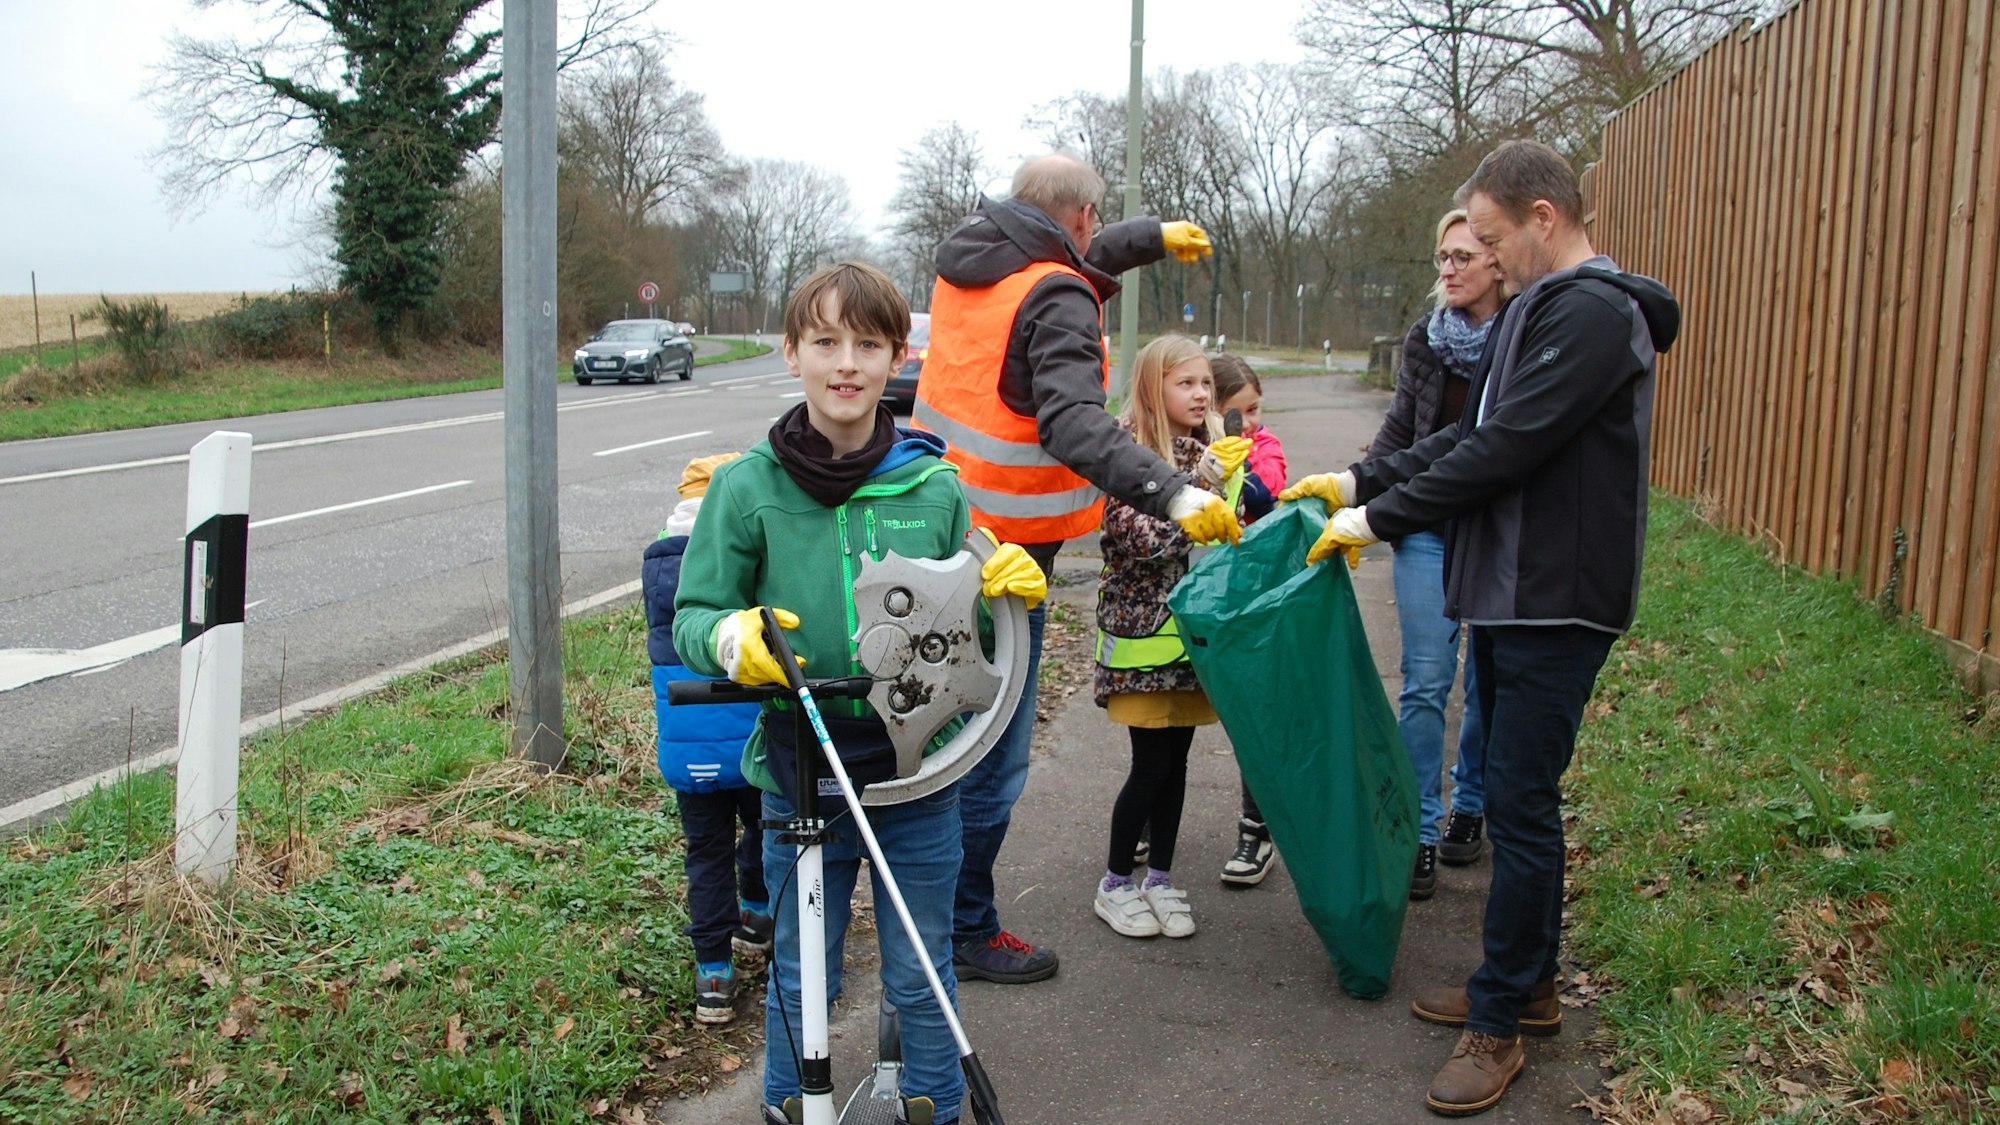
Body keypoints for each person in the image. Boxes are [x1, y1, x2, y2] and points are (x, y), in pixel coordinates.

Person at [1280, 140, 1679, 1116]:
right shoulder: (1541, 312)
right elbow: (1464, 434)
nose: (1484, 258)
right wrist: (1355, 481)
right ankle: (1523, 981)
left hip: (1555, 596)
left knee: (1519, 801)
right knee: (1510, 791)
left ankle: (1499, 1017)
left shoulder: (1591, 313)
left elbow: (1508, 448)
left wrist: (1376, 522)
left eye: (1493, 237)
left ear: (1543, 215)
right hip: (1509, 590)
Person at [673, 262, 1048, 1125]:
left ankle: (933, 1104)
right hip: (799, 769)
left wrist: (1005, 600)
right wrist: (733, 636)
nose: (847, 363)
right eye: (826, 342)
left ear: (896, 357)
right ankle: (786, 1107)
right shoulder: (746, 487)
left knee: (921, 968)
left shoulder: (933, 487)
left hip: (919, 774)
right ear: (791, 352)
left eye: (867, 345)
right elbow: (696, 614)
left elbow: (974, 647)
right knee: (805, 971)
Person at [915, 152, 1243, 983]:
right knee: (992, 757)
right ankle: (965, 928)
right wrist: (1170, 491)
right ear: (1082, 217)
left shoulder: (972, 264)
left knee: (935, 736)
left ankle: (921, 917)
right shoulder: (1054, 289)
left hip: (932, 525)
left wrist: (1151, 238)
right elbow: (1068, 419)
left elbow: (1077, 258)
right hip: (1006, 559)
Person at [1367, 209, 1504, 900]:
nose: (1446, 270)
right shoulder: (1425, 339)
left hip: (1498, 531)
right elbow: (1401, 431)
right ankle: (1420, 829)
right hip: (1425, 526)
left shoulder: (1521, 338)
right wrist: (1353, 494)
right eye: (1441, 257)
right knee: (1425, 677)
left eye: (1461, 257)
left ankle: (1470, 802)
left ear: (1498, 264)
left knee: (1485, 679)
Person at [1090, 337, 1233, 940]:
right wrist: (1194, 488)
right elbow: (1142, 539)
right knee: (1149, 766)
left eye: (1206, 383)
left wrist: (1222, 486)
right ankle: (1116, 882)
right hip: (1142, 643)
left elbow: (1225, 535)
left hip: (1190, 644)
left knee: (1177, 765)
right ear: (1154, 387)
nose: (1201, 394)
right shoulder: (1126, 453)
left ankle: (1162, 879)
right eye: (1186, 383)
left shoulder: (1206, 451)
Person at [642, 451, 773, 1026]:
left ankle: (713, 973)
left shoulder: (657, 564)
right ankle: (760, 912)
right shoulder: (743, 554)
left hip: (687, 742)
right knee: (768, 827)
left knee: (706, 851)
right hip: (748, 736)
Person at [1206, 354, 1288, 886]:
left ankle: (1255, 829)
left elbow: (1268, 496)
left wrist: (1237, 465)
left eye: (1253, 409)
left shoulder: (1265, 447)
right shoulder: (1194, 449)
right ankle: (1145, 818)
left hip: (1251, 593)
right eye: (1234, 413)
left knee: (1253, 715)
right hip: (1202, 595)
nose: (1248, 422)